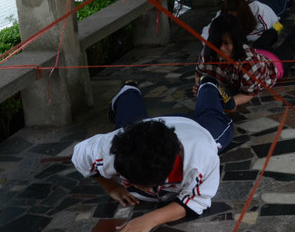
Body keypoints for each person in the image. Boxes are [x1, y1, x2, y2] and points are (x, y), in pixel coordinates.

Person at [71, 80, 233, 232]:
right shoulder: (108, 148)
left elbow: (198, 200)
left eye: (148, 185)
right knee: (129, 123)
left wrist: (149, 220)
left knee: (221, 124)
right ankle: (128, 91)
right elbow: (79, 156)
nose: (145, 190)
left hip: (196, 129)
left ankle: (207, 86)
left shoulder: (202, 154)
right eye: (135, 182)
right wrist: (111, 187)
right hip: (140, 128)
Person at [195, 13, 295, 106]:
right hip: (257, 51)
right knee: (263, 40)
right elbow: (199, 74)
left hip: (275, 63)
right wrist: (200, 86)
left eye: (226, 43)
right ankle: (274, 29)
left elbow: (248, 93)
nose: (221, 48)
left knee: (290, 45)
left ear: (237, 41)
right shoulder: (207, 52)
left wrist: (231, 102)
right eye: (217, 43)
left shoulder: (249, 62)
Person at [200, 0, 280, 46]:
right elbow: (207, 32)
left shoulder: (259, 10)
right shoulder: (221, 15)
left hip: (273, 13)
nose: (232, 20)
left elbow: (270, 31)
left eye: (236, 18)